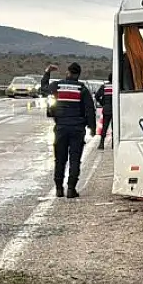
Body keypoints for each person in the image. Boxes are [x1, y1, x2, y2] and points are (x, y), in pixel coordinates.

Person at [40, 62, 96, 198]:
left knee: (60, 159)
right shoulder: (82, 89)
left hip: (61, 128)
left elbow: (43, 88)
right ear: (78, 74)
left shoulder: (58, 86)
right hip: (77, 129)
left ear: (68, 72)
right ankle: (71, 189)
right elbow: (90, 109)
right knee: (75, 159)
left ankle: (59, 189)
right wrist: (92, 128)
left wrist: (47, 72)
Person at [95, 72, 114, 150]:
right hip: (116, 110)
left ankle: (101, 144)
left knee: (105, 127)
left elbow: (97, 96)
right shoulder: (117, 86)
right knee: (115, 128)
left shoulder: (104, 86)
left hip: (106, 109)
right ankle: (114, 144)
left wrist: (102, 103)